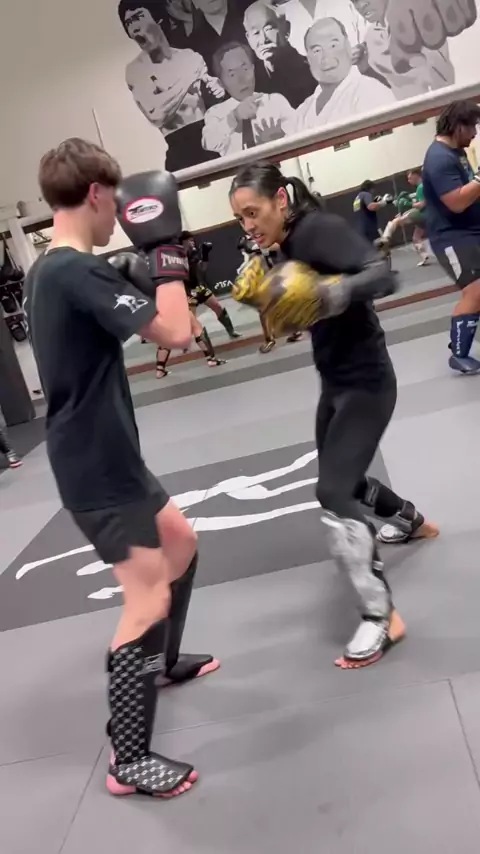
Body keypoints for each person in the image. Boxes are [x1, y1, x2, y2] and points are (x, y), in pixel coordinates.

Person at [23, 138, 219, 798]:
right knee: (147, 598)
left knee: (181, 543)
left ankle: (163, 664)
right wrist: (167, 261)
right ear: (98, 194)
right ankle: (128, 759)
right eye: (115, 205)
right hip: (96, 465)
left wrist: (146, 275)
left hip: (108, 453)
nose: (120, 220)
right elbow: (178, 333)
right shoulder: (76, 271)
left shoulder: (50, 269)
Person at [229, 162, 438, 668]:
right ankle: (410, 520)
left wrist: (330, 293)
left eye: (253, 213)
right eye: (239, 219)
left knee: (333, 491)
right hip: (336, 383)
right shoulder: (285, 244)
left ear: (280, 199)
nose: (248, 225)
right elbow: (299, 307)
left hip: (367, 383)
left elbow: (382, 274)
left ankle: (381, 616)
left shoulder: (316, 230)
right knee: (344, 478)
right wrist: (274, 302)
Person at [118, 0, 224, 171]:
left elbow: (211, 95)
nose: (134, 27)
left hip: (210, 144)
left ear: (158, 19)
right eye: (129, 23)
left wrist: (217, 88)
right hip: (179, 153)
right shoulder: (135, 70)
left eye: (138, 17)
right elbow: (157, 114)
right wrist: (188, 78)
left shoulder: (189, 56)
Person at [422, 100, 480, 375]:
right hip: (452, 237)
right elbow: (456, 202)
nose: (475, 133)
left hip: (471, 230)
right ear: (458, 127)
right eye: (472, 127)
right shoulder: (439, 158)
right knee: (475, 291)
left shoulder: (456, 152)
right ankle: (459, 354)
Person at [295, 18, 394, 133]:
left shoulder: (370, 91)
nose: (326, 58)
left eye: (333, 45)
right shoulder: (303, 111)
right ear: (308, 59)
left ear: (348, 47)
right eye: (317, 50)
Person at [202, 42, 295, 157]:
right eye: (232, 74)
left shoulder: (275, 102)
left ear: (253, 68)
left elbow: (298, 131)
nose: (242, 79)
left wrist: (281, 140)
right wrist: (234, 116)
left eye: (245, 69)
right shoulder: (216, 113)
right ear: (221, 82)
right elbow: (209, 143)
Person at [351, 0, 454, 100]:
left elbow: (438, 71)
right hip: (408, 108)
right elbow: (392, 82)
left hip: (439, 101)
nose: (361, 5)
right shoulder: (370, 37)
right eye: (354, 0)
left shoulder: (414, 15)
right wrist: (365, 68)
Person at [243, 1, 316, 109]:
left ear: (286, 30)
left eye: (269, 29)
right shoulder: (250, 82)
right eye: (256, 33)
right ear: (248, 38)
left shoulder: (310, 71)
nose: (263, 40)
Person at [181, 231, 241, 339]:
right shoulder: (178, 257)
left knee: (217, 306)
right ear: (183, 242)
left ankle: (231, 331)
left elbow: (202, 269)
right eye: (190, 241)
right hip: (188, 290)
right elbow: (183, 275)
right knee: (192, 318)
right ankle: (189, 340)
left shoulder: (194, 253)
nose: (193, 242)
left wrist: (205, 255)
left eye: (193, 240)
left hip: (199, 287)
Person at [381, 169, 429, 266]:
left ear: (416, 176)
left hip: (422, 214)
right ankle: (424, 256)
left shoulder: (421, 187)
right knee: (416, 238)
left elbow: (422, 205)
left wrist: (408, 203)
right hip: (427, 215)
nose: (409, 181)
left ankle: (385, 239)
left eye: (410, 178)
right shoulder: (424, 186)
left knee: (396, 221)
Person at [353, 179, 392, 245]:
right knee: (382, 245)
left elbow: (363, 209)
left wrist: (375, 202)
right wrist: (383, 202)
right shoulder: (366, 194)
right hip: (370, 228)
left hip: (361, 229)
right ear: (371, 188)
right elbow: (371, 207)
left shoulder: (357, 198)